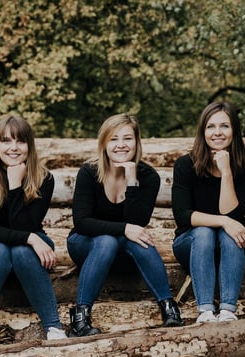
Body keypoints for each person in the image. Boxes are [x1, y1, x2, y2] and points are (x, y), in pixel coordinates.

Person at [66, 114, 183, 337]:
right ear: (104, 143)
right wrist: (123, 229)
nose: (121, 145)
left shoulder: (148, 177)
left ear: (137, 142)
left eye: (127, 138)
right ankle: (80, 320)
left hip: (124, 252)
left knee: (141, 241)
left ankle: (169, 309)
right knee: (107, 241)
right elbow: (82, 222)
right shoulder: (89, 172)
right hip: (85, 244)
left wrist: (132, 180)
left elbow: (137, 223)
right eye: (114, 139)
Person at [0, 115, 67, 350]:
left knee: (21, 251)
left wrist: (16, 185)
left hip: (24, 244)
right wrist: (31, 238)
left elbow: (24, 227)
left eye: (20, 141)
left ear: (30, 145)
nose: (13, 147)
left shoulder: (43, 178)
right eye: (6, 141)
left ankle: (54, 329)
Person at [172, 102, 245, 323]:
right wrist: (223, 221)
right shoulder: (185, 165)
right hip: (191, 245)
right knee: (204, 232)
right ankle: (206, 311)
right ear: (203, 132)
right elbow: (182, 215)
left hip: (233, 247)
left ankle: (228, 310)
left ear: (234, 131)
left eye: (224, 126)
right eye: (211, 126)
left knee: (228, 234)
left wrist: (226, 172)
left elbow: (232, 214)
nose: (217, 132)